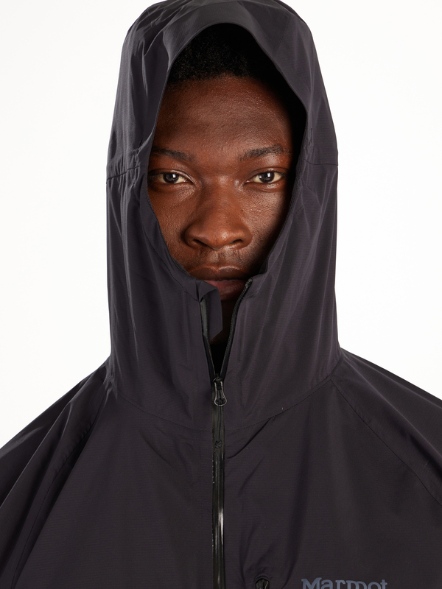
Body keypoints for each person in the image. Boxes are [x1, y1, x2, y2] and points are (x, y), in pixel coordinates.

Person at [0, 0, 441, 588]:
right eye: (173, 178)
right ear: (127, 192)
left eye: (263, 177)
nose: (217, 229)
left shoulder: (426, 473)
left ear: (312, 186)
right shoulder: (18, 509)